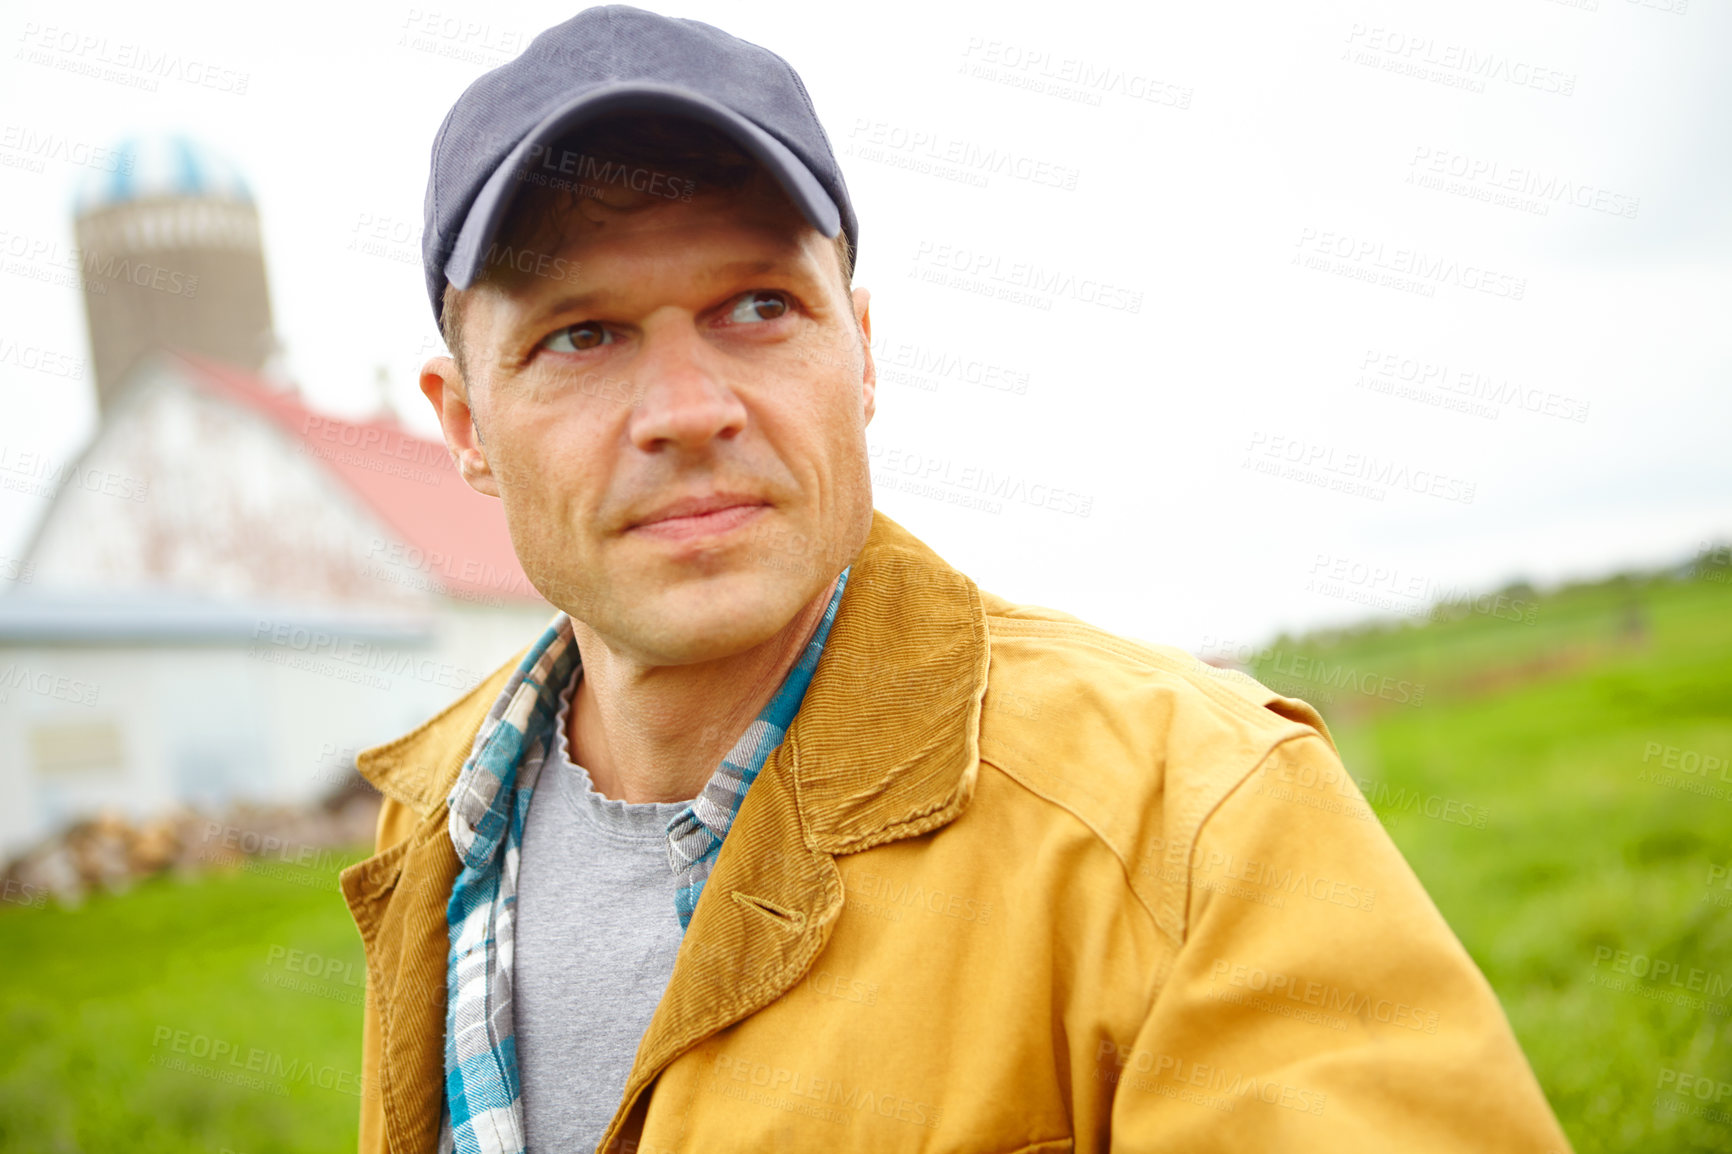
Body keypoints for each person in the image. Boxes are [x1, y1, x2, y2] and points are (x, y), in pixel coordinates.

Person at [340, 7, 1574, 1152]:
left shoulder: (1194, 813)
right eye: (581, 334)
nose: (687, 410)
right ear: (464, 427)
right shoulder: (440, 817)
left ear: (861, 354)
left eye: (758, 305)